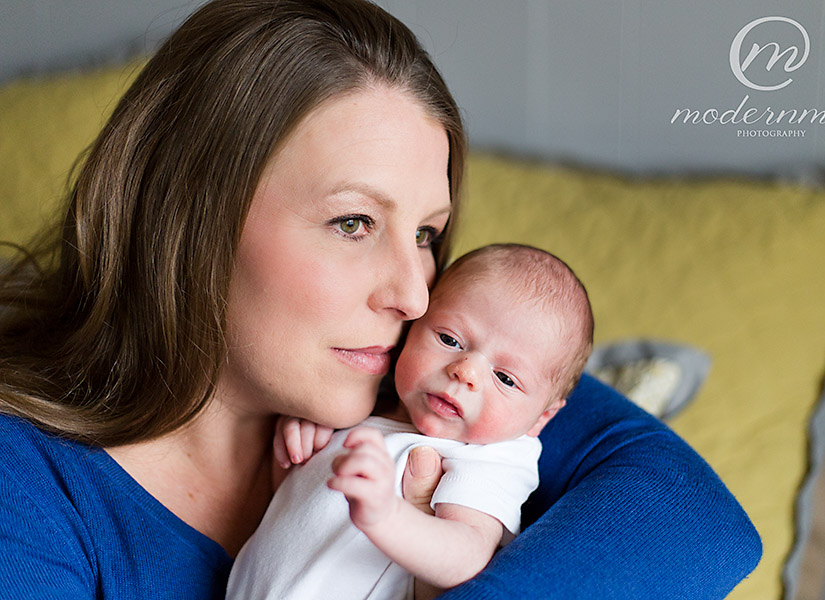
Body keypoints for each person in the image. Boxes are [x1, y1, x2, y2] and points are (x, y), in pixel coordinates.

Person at [0, 0, 761, 598]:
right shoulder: (27, 488)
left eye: (428, 233)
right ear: (188, 217)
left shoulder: (437, 378)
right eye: (354, 222)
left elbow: (699, 521)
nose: (414, 293)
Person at [226, 243, 595, 599]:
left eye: (506, 379)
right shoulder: (365, 406)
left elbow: (465, 556)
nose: (466, 372)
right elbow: (294, 513)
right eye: (450, 339)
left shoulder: (490, 457)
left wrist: (388, 516)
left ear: (541, 418)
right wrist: (298, 444)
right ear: (412, 329)